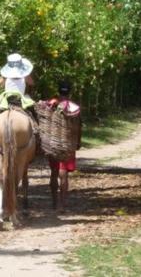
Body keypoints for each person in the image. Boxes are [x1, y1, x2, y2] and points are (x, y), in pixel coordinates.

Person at [48, 80, 81, 211]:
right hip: (68, 144)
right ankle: (62, 204)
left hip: (53, 143)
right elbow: (79, 127)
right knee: (63, 174)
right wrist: (78, 141)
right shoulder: (74, 107)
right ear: (70, 92)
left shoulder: (52, 104)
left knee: (54, 173)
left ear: (58, 90)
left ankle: (54, 202)